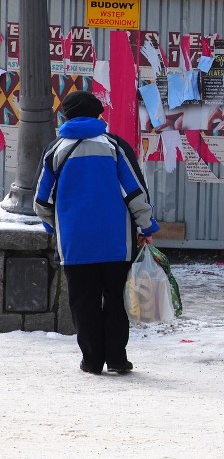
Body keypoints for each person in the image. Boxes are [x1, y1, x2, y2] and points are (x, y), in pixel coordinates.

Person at [33, 90, 160, 375]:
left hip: (75, 244)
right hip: (116, 242)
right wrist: (147, 227)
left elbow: (41, 201)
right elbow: (135, 192)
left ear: (64, 115)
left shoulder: (55, 150)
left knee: (83, 302)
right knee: (114, 298)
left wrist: (57, 227)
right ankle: (117, 358)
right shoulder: (115, 147)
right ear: (98, 115)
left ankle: (91, 361)